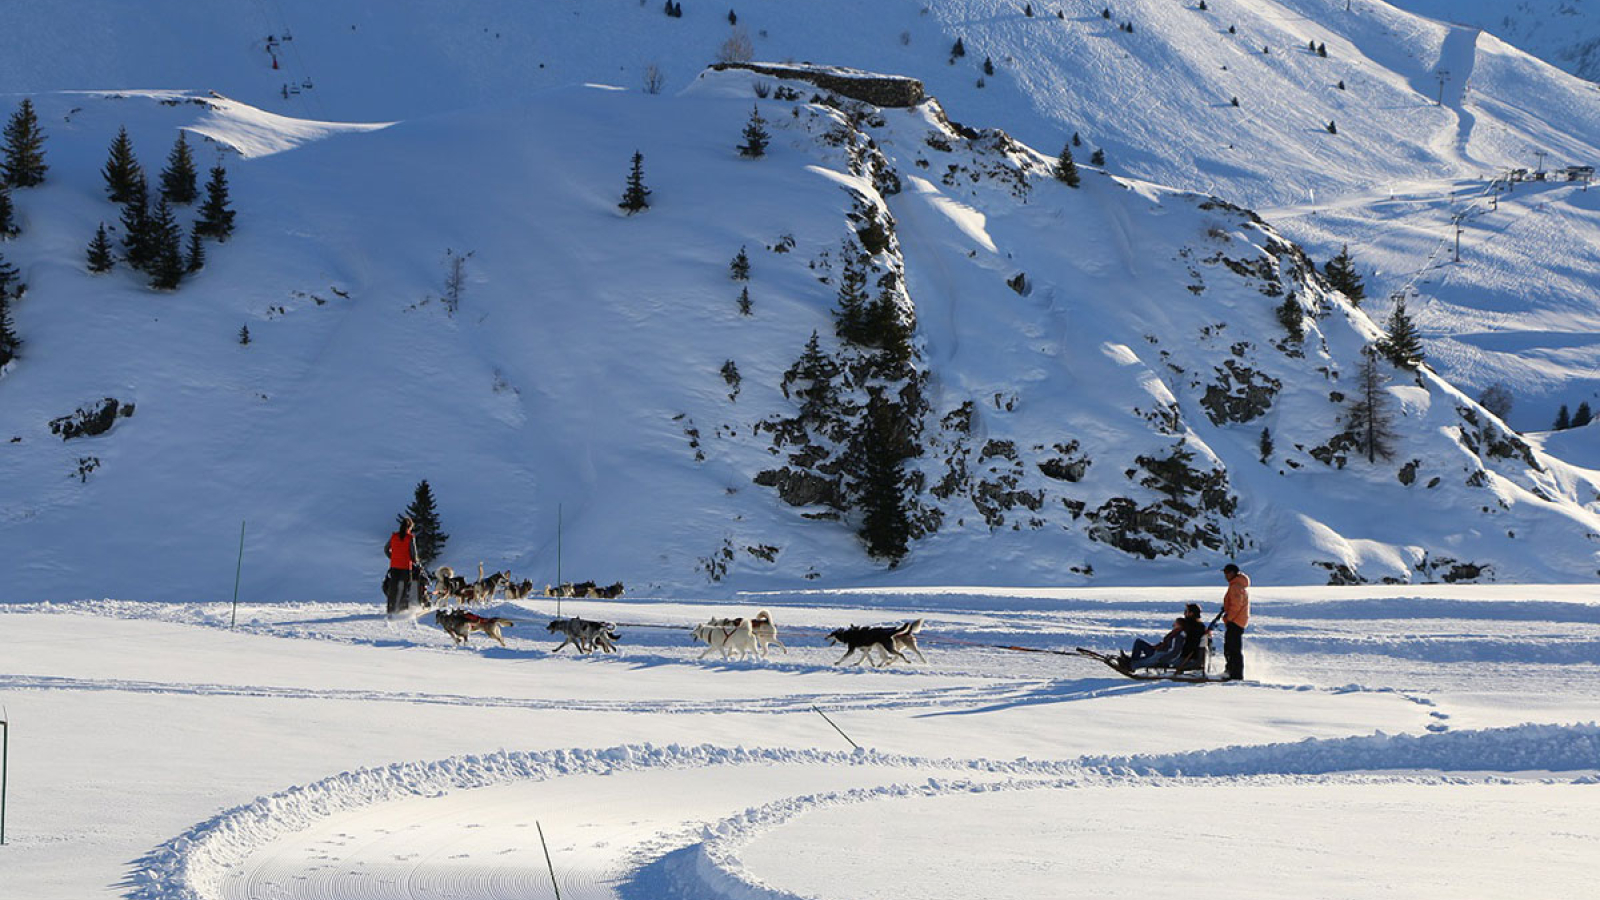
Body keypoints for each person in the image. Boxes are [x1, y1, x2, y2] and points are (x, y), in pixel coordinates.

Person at [1122, 603, 1209, 672]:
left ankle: (1132, 664)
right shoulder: (1193, 626)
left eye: (1186, 611)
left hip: (1181, 658)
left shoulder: (1189, 628)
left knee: (1156, 657)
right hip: (1176, 655)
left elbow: (1179, 648)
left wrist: (1166, 657)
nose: (1184, 613)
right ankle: (1131, 662)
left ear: (1191, 613)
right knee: (1151, 652)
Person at [383, 518, 420, 614]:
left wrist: (393, 557)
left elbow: (386, 549)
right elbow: (413, 554)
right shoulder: (410, 537)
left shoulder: (394, 536)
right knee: (405, 589)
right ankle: (402, 609)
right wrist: (415, 561)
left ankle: (390, 609)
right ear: (409, 527)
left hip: (394, 567)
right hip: (406, 567)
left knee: (393, 588)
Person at [1221, 563, 1250, 680]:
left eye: (1226, 573)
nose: (1225, 576)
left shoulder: (1235, 587)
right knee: (1231, 648)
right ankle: (1231, 671)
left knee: (1232, 649)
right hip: (1238, 621)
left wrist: (1229, 618)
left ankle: (1235, 674)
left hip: (1235, 621)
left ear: (1232, 573)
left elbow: (1236, 605)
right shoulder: (1237, 585)